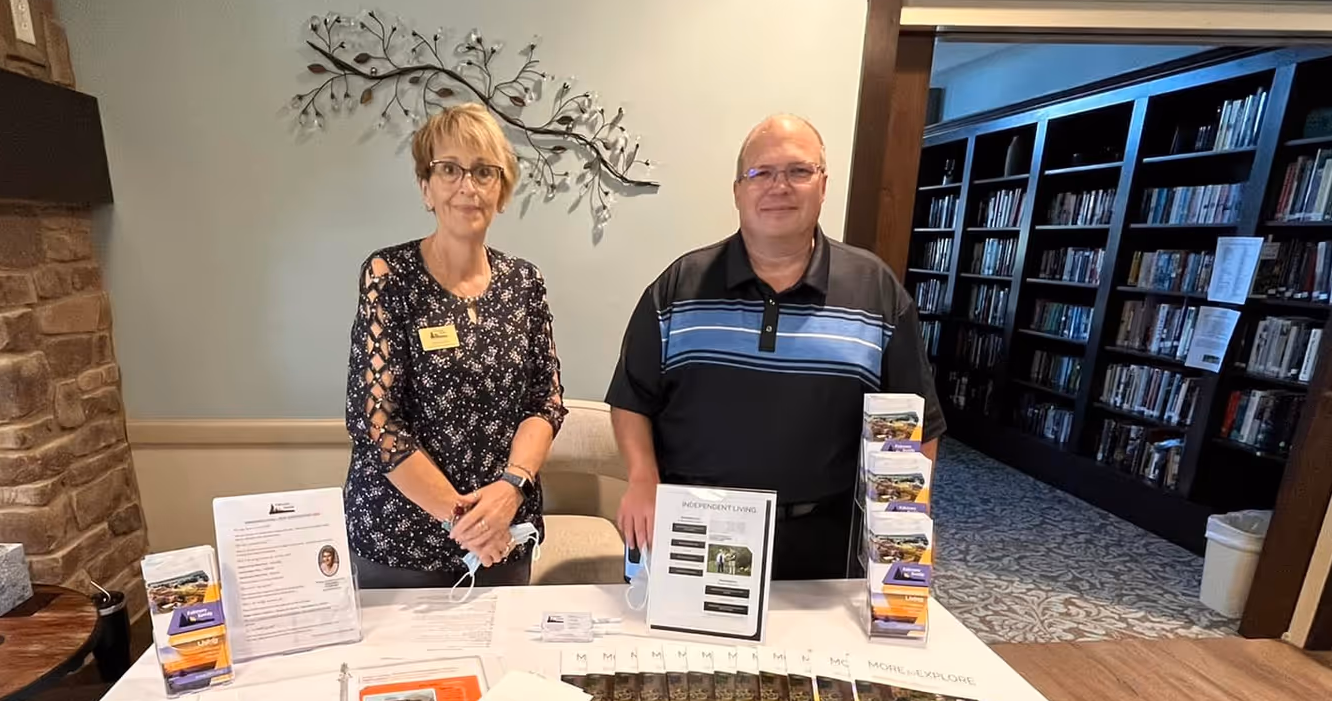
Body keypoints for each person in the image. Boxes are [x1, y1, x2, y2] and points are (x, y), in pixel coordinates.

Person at [606, 113, 943, 580]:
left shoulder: (877, 292)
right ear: (738, 191)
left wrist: (906, 519)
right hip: (697, 529)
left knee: (817, 656)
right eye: (760, 173)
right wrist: (642, 479)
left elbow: (914, 421)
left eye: (799, 171)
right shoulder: (680, 286)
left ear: (823, 185)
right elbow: (631, 399)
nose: (778, 186)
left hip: (827, 541)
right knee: (688, 654)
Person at [343, 103, 567, 589]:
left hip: (505, 534)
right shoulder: (388, 275)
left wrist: (511, 490)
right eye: (449, 170)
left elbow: (544, 403)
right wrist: (465, 521)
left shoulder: (525, 282)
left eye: (484, 171)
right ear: (426, 187)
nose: (468, 187)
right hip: (402, 542)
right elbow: (378, 423)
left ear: (502, 191)